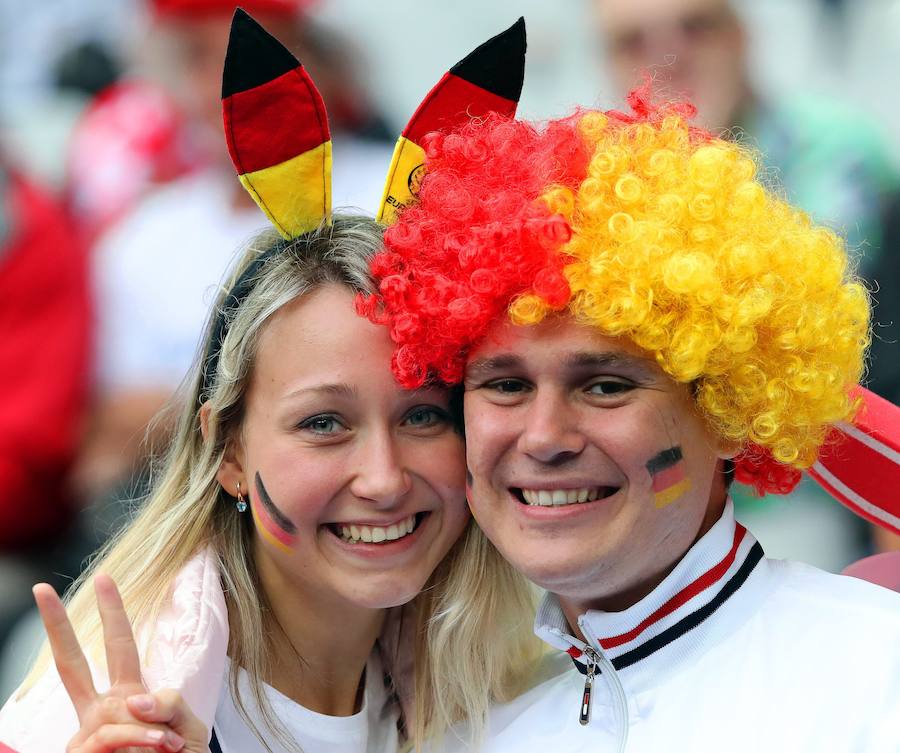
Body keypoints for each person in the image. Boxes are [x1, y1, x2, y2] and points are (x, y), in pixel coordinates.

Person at [0, 12, 538, 753]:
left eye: (423, 416)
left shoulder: (505, 682)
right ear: (226, 451)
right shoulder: (110, 713)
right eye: (323, 423)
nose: (383, 479)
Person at [361, 84, 900, 750]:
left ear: (729, 409)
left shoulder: (877, 672)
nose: (544, 436)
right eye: (504, 384)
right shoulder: (467, 737)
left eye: (606, 386)